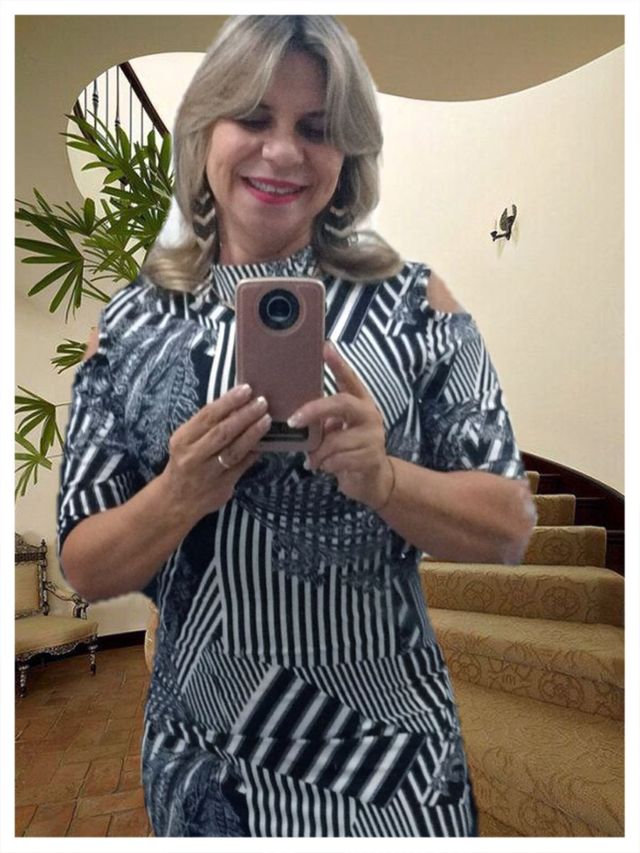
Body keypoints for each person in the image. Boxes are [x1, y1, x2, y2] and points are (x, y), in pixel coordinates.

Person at [57, 14, 536, 838]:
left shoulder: (417, 303)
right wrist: (179, 494)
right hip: (209, 773)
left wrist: (385, 479)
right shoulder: (130, 324)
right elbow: (83, 563)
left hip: (393, 768)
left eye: (315, 129)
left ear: (347, 154)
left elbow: (511, 524)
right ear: (203, 132)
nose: (282, 152)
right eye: (253, 117)